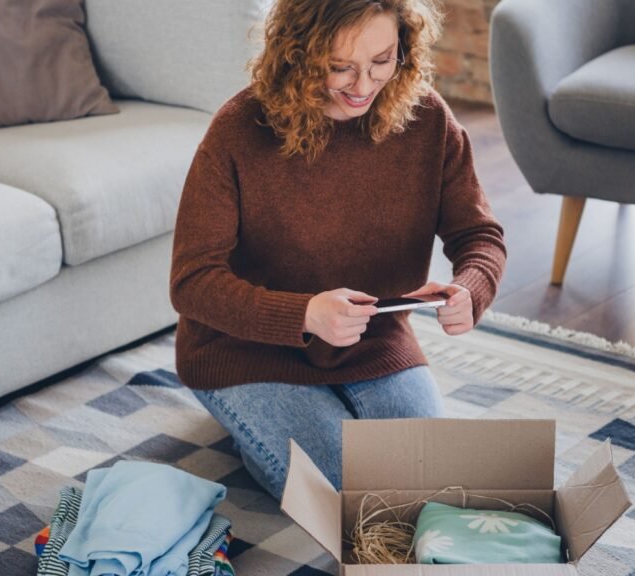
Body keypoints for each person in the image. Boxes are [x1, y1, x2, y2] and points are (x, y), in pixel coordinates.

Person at [169, 0, 506, 501]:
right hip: (246, 352)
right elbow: (192, 283)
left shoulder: (427, 119)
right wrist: (303, 314)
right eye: (339, 68)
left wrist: (469, 289)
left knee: (428, 481)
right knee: (354, 495)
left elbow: (479, 236)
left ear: (404, 47)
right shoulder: (239, 130)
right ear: (298, 54)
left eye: (382, 60)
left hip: (374, 342)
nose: (365, 86)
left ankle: (280, 442)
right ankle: (257, 434)